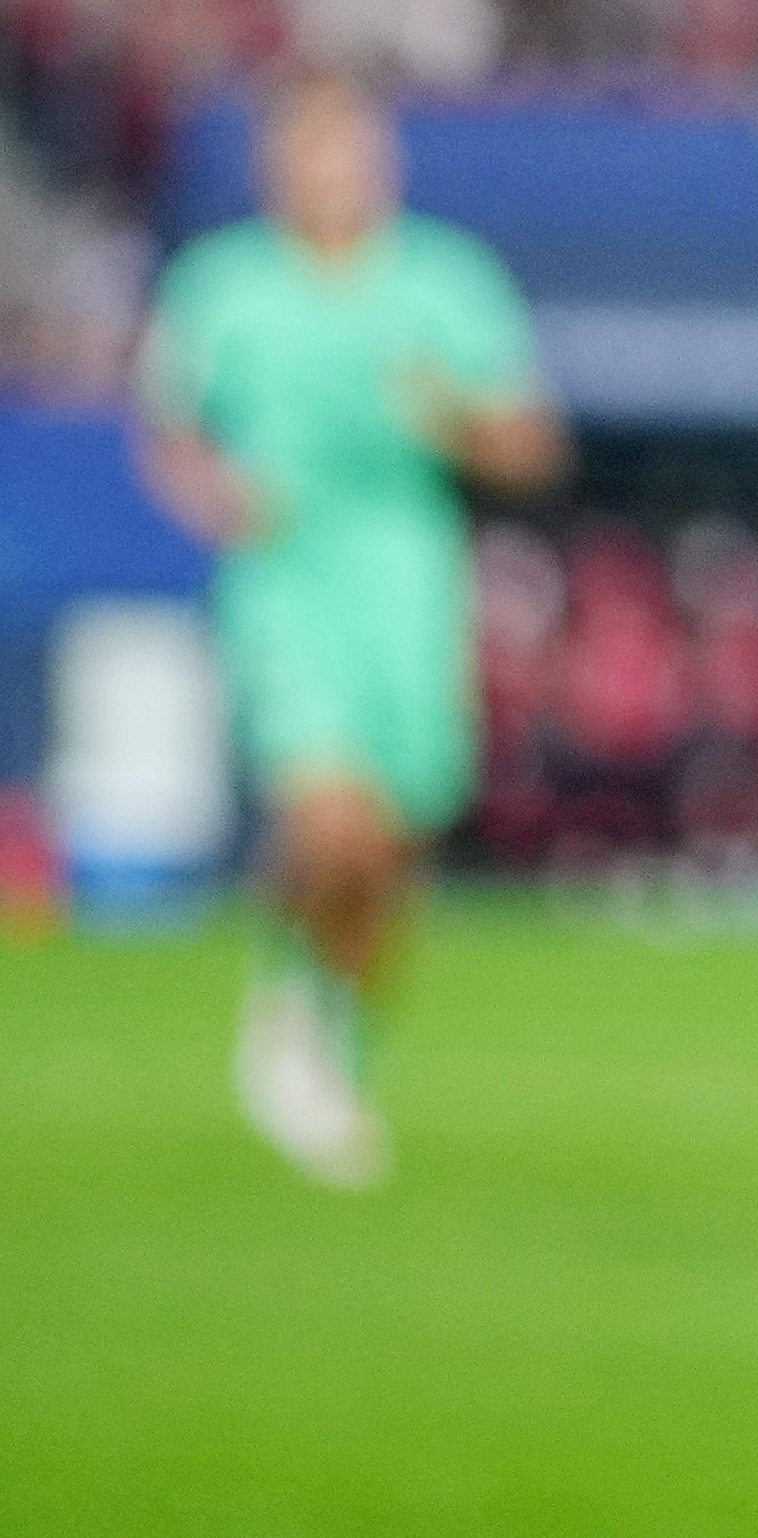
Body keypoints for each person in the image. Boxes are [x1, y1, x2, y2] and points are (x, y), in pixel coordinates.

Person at [130, 68, 565, 1187]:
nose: (335, 172)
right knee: (332, 820)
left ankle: (329, 1036)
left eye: (354, 150)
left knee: (393, 849)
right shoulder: (220, 288)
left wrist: (459, 421)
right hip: (290, 573)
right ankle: (289, 1016)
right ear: (277, 167)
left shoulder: (445, 283)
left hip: (411, 575)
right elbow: (169, 431)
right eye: (312, 150)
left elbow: (532, 442)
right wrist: (214, 492)